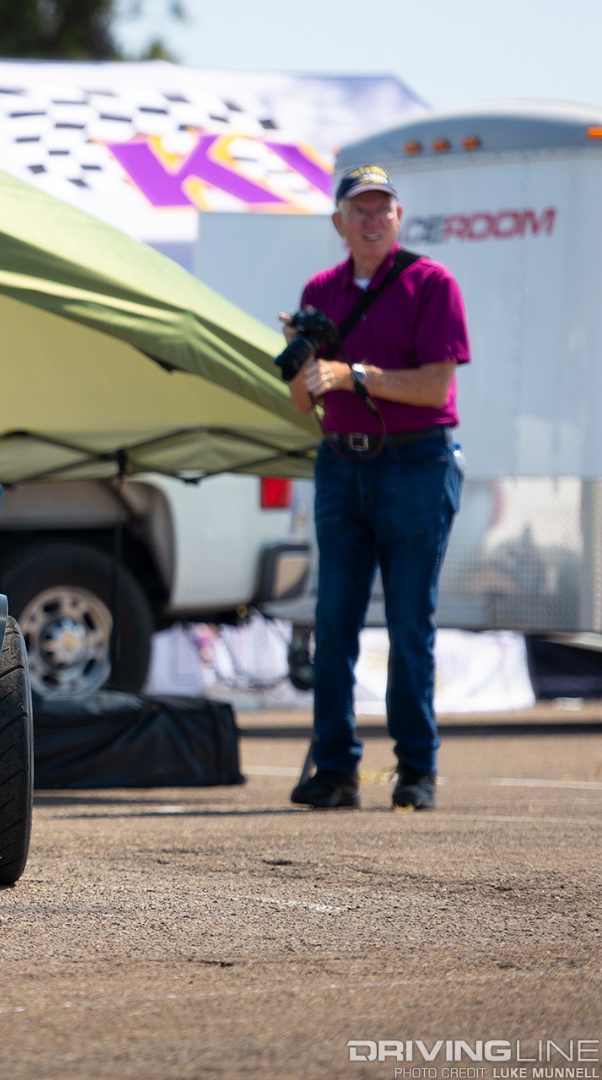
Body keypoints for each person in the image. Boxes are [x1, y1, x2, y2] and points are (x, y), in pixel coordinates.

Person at [284, 164, 469, 811]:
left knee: (409, 622)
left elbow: (432, 388)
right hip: (341, 462)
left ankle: (416, 771)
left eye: (381, 208)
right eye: (359, 209)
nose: (371, 219)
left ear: (398, 218)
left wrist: (350, 374)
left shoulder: (431, 283)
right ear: (339, 223)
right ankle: (335, 770)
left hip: (416, 462)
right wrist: (302, 360)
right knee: (333, 622)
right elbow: (301, 401)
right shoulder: (321, 289)